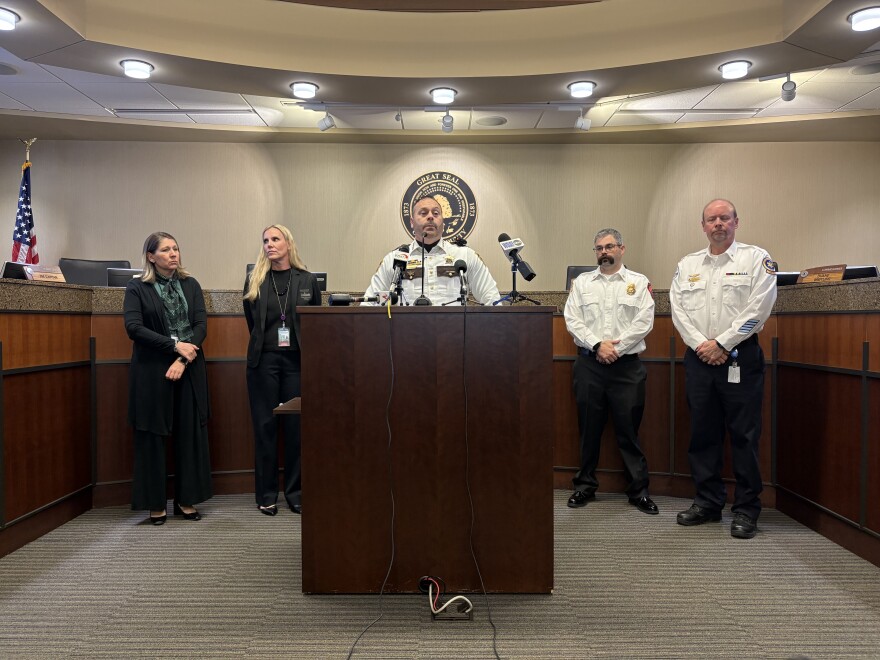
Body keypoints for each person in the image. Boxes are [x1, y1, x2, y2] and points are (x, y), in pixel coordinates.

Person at [670, 199, 777, 539]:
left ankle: (746, 510)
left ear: (736, 222)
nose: (718, 223)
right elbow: (678, 310)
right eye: (712, 219)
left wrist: (724, 343)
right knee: (703, 433)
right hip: (699, 359)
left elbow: (759, 309)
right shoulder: (688, 264)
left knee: (745, 436)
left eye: (725, 218)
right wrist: (703, 344)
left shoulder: (756, 259)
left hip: (740, 359)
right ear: (703, 226)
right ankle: (707, 502)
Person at [563, 229, 658, 515]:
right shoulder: (581, 283)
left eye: (609, 247)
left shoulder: (638, 283)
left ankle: (638, 490)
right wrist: (596, 345)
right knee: (588, 428)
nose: (604, 252)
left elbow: (644, 321)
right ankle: (584, 486)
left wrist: (615, 348)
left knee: (628, 430)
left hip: (626, 367)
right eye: (599, 248)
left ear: (621, 249)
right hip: (589, 365)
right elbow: (572, 319)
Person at [124, 232, 212, 525]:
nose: (173, 254)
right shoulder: (137, 287)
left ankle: (186, 500)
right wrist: (175, 347)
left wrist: (183, 358)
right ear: (151, 256)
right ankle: (155, 503)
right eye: (165, 250)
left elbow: (200, 326)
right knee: (153, 435)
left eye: (176, 248)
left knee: (188, 433)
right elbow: (134, 328)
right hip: (152, 371)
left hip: (189, 367)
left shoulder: (191, 284)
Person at [244, 224, 322, 516]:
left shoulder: (306, 280)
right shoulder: (255, 280)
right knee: (265, 427)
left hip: (297, 363)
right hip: (263, 363)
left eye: (275, 239)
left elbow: (313, 322)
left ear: (288, 243)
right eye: (265, 240)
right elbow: (251, 324)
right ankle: (266, 494)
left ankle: (295, 492)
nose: (269, 245)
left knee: (295, 429)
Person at [363, 196, 501, 306]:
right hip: (405, 337)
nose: (430, 217)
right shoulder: (395, 260)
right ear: (411, 221)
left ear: (443, 221)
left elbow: (491, 299)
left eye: (436, 213)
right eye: (423, 213)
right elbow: (370, 303)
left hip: (455, 336)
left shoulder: (464, 256)